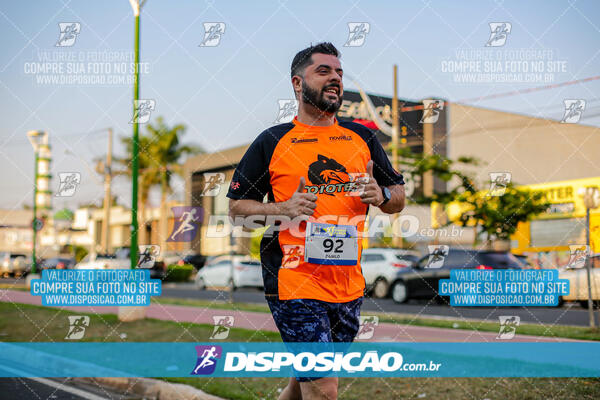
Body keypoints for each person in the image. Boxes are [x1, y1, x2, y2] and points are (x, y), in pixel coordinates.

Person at [227, 42, 405, 400]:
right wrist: (283, 209)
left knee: (304, 379)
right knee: (323, 387)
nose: (335, 79)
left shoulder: (363, 137)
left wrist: (382, 196)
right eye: (323, 71)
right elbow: (236, 210)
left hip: (347, 282)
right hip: (293, 279)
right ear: (297, 83)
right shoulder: (273, 141)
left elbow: (398, 195)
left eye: (339, 72)